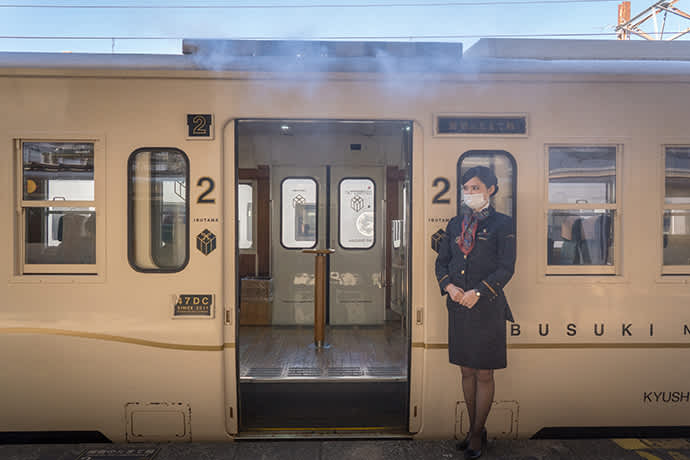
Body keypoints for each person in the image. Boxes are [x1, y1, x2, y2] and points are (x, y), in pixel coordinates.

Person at [434, 166, 516, 460]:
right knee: (466, 371)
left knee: (484, 373)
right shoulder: (456, 224)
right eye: (466, 188)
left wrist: (478, 291)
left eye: (475, 187)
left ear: (491, 189)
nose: (469, 193)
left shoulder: (503, 224)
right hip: (458, 307)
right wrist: (450, 288)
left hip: (487, 309)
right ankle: (474, 431)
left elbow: (506, 268)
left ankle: (478, 434)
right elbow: (442, 263)